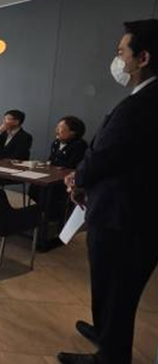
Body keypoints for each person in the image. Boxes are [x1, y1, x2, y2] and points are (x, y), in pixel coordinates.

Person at [59, 19, 158, 364]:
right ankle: (106, 331)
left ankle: (111, 355)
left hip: (123, 218)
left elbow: (106, 155)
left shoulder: (141, 105)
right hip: (133, 213)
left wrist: (78, 179)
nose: (117, 59)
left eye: (121, 51)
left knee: (116, 288)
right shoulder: (143, 100)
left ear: (143, 58)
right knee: (115, 287)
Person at [29, 116, 88, 220]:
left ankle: (52, 217)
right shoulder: (56, 143)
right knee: (35, 186)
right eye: (57, 127)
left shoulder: (80, 145)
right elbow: (51, 161)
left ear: (72, 132)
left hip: (66, 180)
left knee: (49, 191)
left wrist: (54, 164)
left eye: (60, 128)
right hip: (51, 176)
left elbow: (70, 165)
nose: (56, 130)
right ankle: (41, 214)